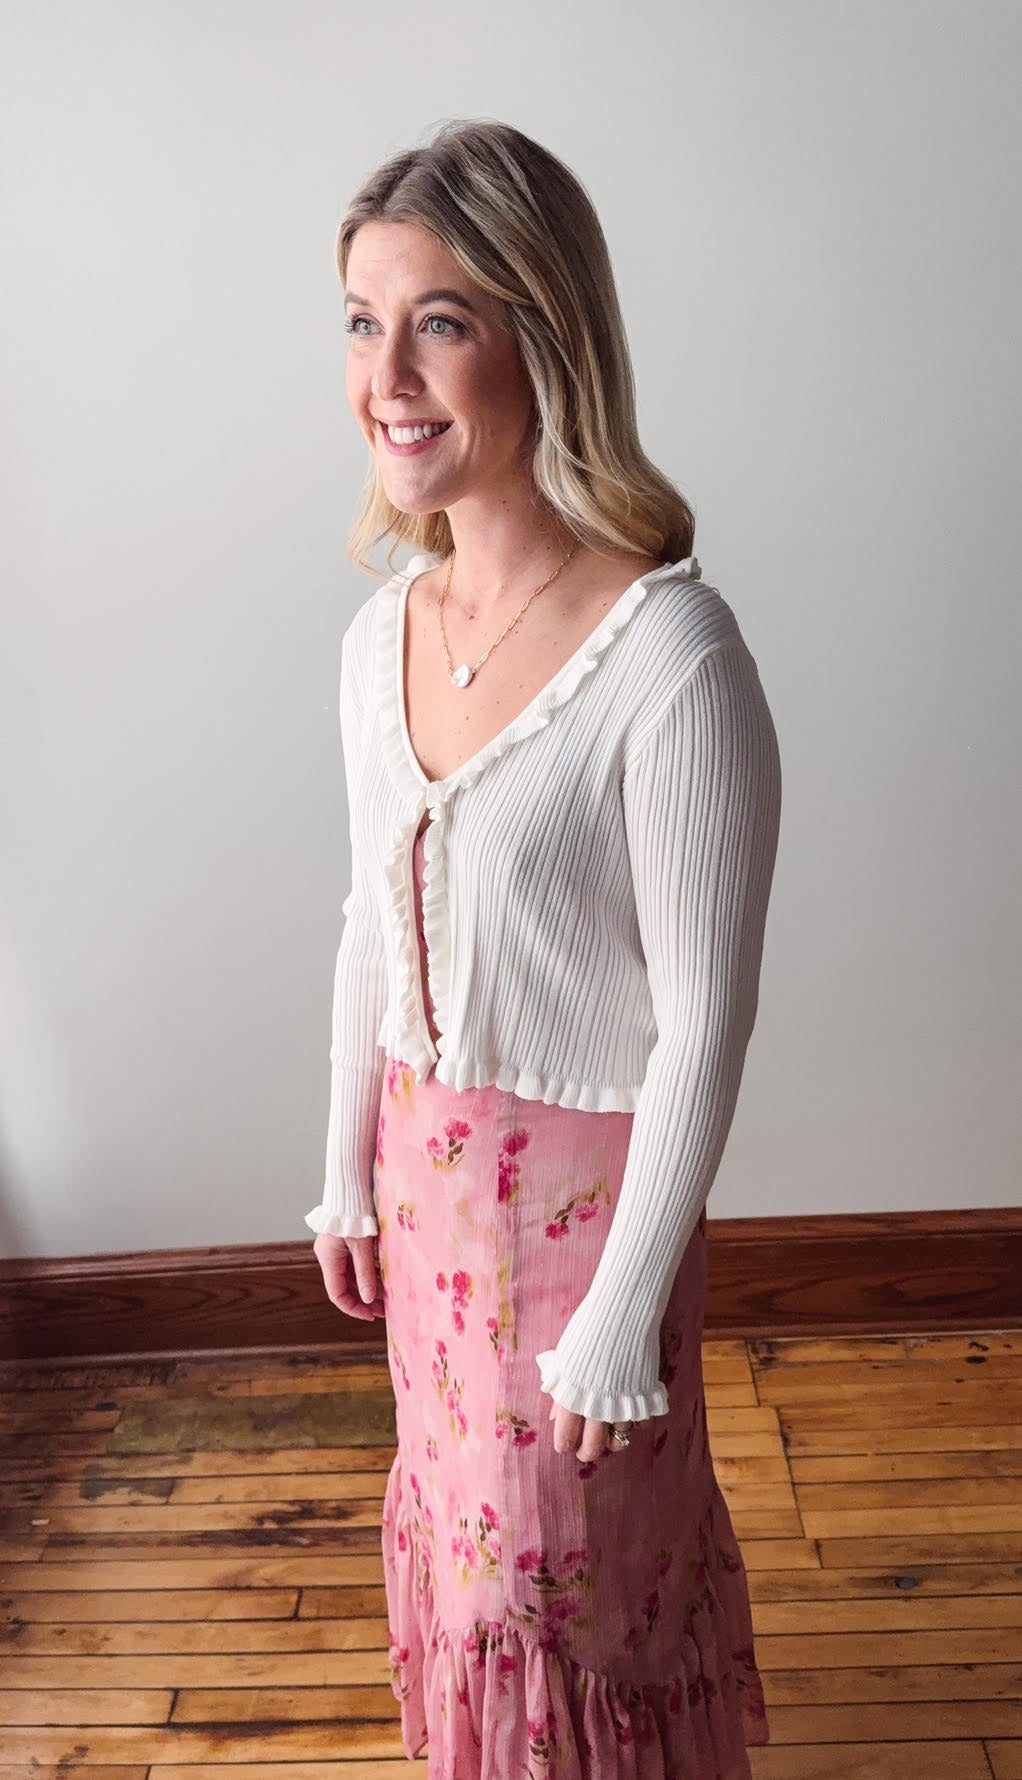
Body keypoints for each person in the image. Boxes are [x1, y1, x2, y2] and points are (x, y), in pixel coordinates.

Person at [305, 118, 780, 1779]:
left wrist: (621, 1304)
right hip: (428, 1194)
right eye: (363, 320)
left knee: (572, 1601)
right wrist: (342, 1171)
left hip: (586, 1220)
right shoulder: (385, 639)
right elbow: (373, 911)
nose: (388, 372)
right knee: (466, 1562)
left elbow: (706, 1022)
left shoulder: (671, 654)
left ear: (542, 332)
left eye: (438, 318)